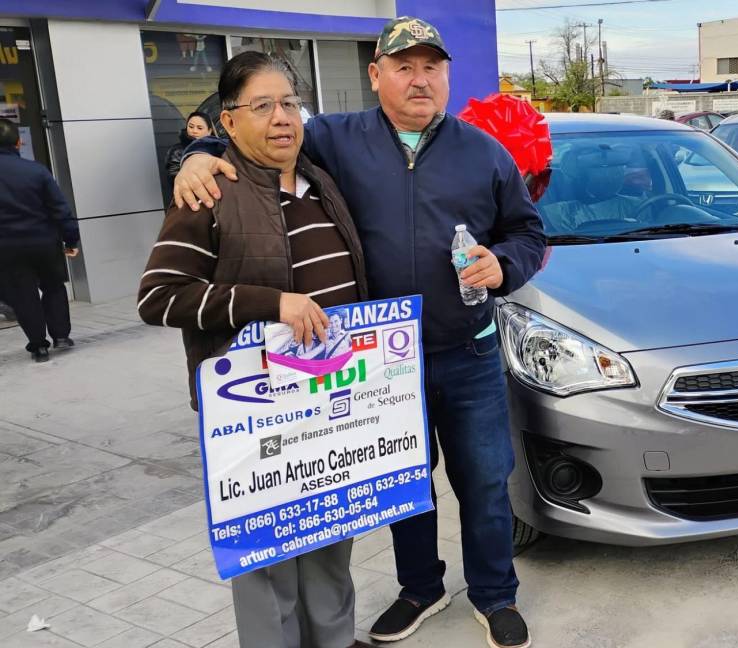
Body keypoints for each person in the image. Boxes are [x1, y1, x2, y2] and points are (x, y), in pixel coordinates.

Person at [173, 17, 546, 648]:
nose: (420, 79)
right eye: (404, 67)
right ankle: (420, 588)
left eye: (432, 67)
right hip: (380, 360)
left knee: (485, 478)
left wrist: (503, 263)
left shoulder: (483, 152)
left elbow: (528, 233)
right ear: (376, 76)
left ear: (447, 75)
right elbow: (265, 136)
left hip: (468, 351)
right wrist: (197, 158)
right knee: (404, 482)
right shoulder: (336, 140)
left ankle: (494, 592)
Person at [138, 51, 374, 648]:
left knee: (329, 551)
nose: (281, 118)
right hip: (255, 419)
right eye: (261, 105)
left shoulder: (322, 184)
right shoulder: (212, 193)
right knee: (268, 566)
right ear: (229, 121)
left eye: (290, 103)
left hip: (332, 408)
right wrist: (271, 303)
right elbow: (158, 297)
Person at [0, 118, 79, 363]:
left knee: (24, 295)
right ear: (18, 141)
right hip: (44, 242)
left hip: (8, 247)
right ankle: (61, 336)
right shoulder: (36, 170)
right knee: (54, 286)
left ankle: (38, 345)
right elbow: (60, 209)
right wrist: (71, 239)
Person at [165, 111, 214, 189]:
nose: (194, 131)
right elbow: (176, 180)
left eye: (199, 128)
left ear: (209, 131)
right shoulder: (177, 151)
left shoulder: (217, 147)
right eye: (191, 127)